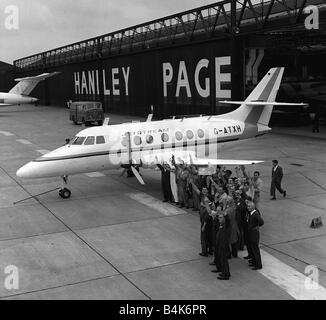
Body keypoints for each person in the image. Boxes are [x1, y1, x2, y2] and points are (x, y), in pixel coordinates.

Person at [246, 201, 264, 270]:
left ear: (253, 207)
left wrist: (256, 226)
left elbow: (262, 222)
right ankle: (254, 262)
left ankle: (258, 265)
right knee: (252, 248)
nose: (248, 208)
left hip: (254, 234)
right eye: (248, 206)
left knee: (255, 249)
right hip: (251, 233)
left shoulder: (256, 214)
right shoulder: (250, 213)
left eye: (249, 206)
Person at [214, 213, 231, 280]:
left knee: (224, 260)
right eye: (219, 217)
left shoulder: (226, 225)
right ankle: (225, 272)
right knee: (222, 260)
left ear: (224, 219)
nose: (219, 219)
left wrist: (226, 215)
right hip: (220, 245)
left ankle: (226, 275)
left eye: (221, 218)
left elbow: (228, 220)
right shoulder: (221, 224)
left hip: (223, 246)